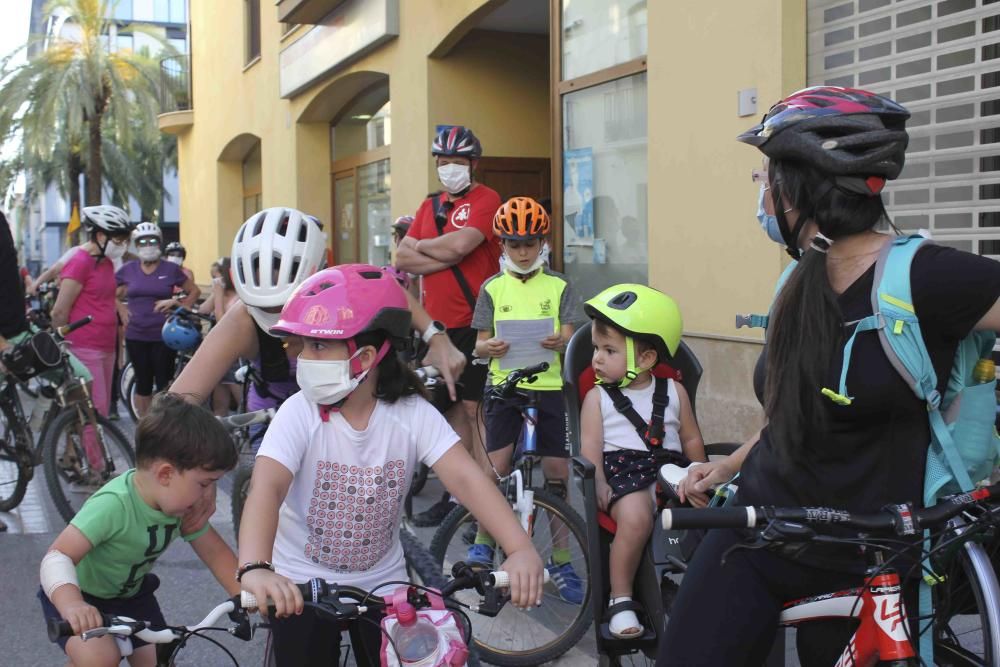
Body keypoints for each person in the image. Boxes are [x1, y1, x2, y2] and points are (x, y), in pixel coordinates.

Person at [662, 87, 1000, 666]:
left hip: (875, 553)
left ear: (800, 186)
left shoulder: (925, 277)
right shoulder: (796, 283)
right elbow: (791, 417)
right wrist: (728, 464)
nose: (764, 195)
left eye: (768, 179)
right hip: (761, 530)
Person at [237, 264, 544, 667]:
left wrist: (519, 548)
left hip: (384, 588)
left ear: (364, 357)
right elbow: (267, 488)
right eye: (303, 345)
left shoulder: (412, 414)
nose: (302, 358)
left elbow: (467, 479)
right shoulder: (299, 413)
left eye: (318, 347)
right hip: (299, 587)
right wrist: (256, 567)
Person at [170, 207, 466, 425]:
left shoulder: (343, 287)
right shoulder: (242, 320)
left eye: (287, 308)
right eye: (265, 310)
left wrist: (436, 337)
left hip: (344, 408)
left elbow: (393, 290)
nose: (279, 323)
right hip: (272, 412)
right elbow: (177, 403)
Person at [37, 393, 239, 667]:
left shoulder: (179, 506)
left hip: (132, 597)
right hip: (80, 595)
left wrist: (250, 595)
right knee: (100, 658)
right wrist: (73, 604)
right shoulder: (114, 504)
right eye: (204, 484)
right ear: (165, 474)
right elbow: (57, 557)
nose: (207, 496)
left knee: (158, 658)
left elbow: (216, 554)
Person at [467, 197, 587, 604]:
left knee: (557, 472)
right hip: (505, 387)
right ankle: (484, 539)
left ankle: (562, 557)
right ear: (502, 245)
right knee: (496, 468)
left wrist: (562, 340)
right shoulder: (491, 288)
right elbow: (479, 345)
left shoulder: (560, 285)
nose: (522, 251)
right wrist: (491, 348)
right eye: (514, 244)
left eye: (530, 243)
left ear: (542, 243)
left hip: (549, 388)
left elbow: (573, 336)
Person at [580, 283, 706, 639]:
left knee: (712, 515)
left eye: (608, 350)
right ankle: (621, 599)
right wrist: (599, 482)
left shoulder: (674, 391)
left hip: (672, 469)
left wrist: (701, 471)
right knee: (635, 519)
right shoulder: (597, 398)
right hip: (624, 474)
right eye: (595, 349)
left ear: (647, 358)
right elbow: (590, 446)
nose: (597, 359)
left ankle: (702, 591)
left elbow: (691, 437)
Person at [395, 125, 503, 526]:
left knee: (475, 410)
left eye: (457, 162)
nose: (449, 169)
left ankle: (485, 498)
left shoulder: (486, 198)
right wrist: (433, 250)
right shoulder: (431, 205)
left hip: (476, 320)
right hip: (436, 326)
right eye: (443, 162)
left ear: (472, 164)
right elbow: (403, 259)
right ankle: (460, 497)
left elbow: (462, 245)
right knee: (449, 411)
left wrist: (424, 246)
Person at [50, 206, 134, 483]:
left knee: (90, 409)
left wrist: (117, 306)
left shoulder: (106, 263)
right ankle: (97, 469)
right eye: (118, 238)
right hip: (83, 346)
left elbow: (104, 295)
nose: (122, 244)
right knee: (92, 411)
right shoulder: (80, 262)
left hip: (106, 344)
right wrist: (62, 347)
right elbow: (59, 311)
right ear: (100, 235)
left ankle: (71, 458)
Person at [116, 223, 201, 418]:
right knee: (143, 384)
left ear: (159, 243)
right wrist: (120, 307)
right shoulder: (128, 269)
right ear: (136, 245)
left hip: (164, 336)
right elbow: (108, 293)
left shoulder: (170, 269)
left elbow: (194, 291)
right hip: (136, 334)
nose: (148, 245)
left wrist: (177, 303)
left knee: (164, 383)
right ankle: (145, 424)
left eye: (152, 241)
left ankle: (163, 423)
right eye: (142, 241)